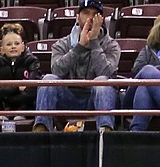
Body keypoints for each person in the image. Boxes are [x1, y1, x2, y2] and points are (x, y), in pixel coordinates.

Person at [34, 0, 120, 133]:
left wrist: (94, 42)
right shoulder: (62, 44)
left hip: (95, 99)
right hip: (68, 97)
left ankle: (105, 135)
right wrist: (79, 47)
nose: (90, 18)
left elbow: (106, 73)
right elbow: (56, 70)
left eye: (95, 14)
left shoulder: (112, 46)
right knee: (48, 79)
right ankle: (41, 131)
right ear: (77, 17)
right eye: (86, 13)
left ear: (101, 19)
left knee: (102, 82)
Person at [0, 24, 43, 119]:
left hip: (26, 108)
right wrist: (17, 88)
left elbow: (32, 90)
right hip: (2, 109)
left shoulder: (32, 61)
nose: (13, 47)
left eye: (16, 44)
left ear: (23, 47)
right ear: (2, 50)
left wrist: (9, 97)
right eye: (9, 44)